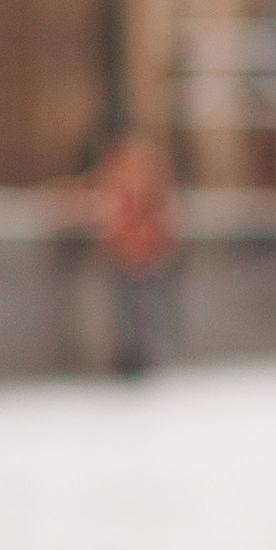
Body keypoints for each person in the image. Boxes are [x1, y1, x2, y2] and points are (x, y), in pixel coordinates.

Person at [87, 131, 177, 378]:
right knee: (138, 306)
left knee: (140, 306)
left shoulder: (136, 178)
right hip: (134, 252)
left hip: (138, 253)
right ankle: (138, 353)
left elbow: (130, 214)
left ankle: (140, 354)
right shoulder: (142, 178)